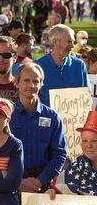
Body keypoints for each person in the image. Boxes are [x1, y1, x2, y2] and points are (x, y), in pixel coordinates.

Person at [10, 63, 67, 192]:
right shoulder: (7, 116)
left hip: (43, 185)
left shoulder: (52, 117)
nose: (31, 85)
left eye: (36, 81)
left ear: (42, 84)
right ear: (16, 83)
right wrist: (17, 182)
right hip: (12, 185)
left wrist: (39, 181)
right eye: (26, 80)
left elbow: (60, 153)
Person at [35, 24, 89, 106]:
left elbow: (86, 97)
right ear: (55, 42)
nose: (72, 46)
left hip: (75, 118)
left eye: (73, 42)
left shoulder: (79, 65)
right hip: (47, 118)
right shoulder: (37, 67)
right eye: (69, 41)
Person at [47, 110, 97, 198]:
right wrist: (51, 193)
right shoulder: (71, 171)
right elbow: (57, 193)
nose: (89, 145)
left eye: (94, 141)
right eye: (85, 140)